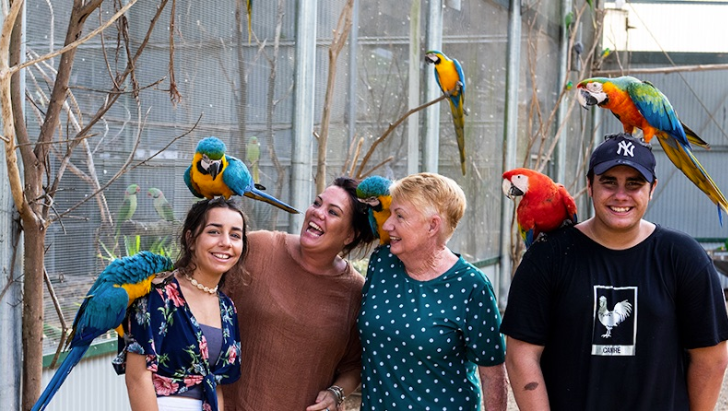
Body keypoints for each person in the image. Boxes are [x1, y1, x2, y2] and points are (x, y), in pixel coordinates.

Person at [501, 133, 728, 411]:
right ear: (590, 185)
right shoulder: (547, 257)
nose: (621, 195)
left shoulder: (683, 257)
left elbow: (711, 357)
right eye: (609, 182)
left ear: (652, 188)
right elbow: (521, 354)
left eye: (634, 184)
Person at [221, 176, 376, 411]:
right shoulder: (258, 248)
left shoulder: (355, 293)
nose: (317, 213)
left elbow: (354, 365)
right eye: (317, 203)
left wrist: (336, 393)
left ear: (350, 235)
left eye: (333, 212)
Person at [357, 172, 508, 411]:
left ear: (432, 225)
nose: (386, 225)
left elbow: (493, 375)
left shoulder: (471, 286)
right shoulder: (381, 263)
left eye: (400, 216)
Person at [113, 197, 249, 411]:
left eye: (235, 235)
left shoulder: (227, 309)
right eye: (214, 231)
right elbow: (137, 378)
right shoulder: (159, 294)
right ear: (191, 239)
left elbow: (216, 385)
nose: (226, 242)